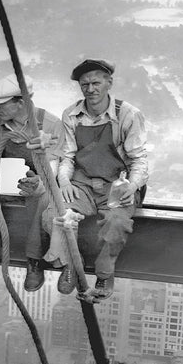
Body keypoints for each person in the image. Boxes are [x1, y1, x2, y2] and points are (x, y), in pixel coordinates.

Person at [45, 58, 150, 300]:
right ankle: (72, 264)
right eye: (84, 85)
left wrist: (132, 186)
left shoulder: (128, 114)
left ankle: (104, 274)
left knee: (116, 223)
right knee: (56, 214)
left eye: (96, 83)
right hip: (82, 183)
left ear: (109, 83)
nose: (90, 90)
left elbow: (139, 160)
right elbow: (67, 156)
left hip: (117, 185)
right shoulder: (71, 114)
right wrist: (65, 183)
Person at [0, 74, 64, 292]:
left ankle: (34, 259)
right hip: (4, 178)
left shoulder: (50, 124)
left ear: (21, 102)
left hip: (37, 181)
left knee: (40, 198)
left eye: (1, 104)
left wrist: (38, 182)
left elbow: (53, 167)